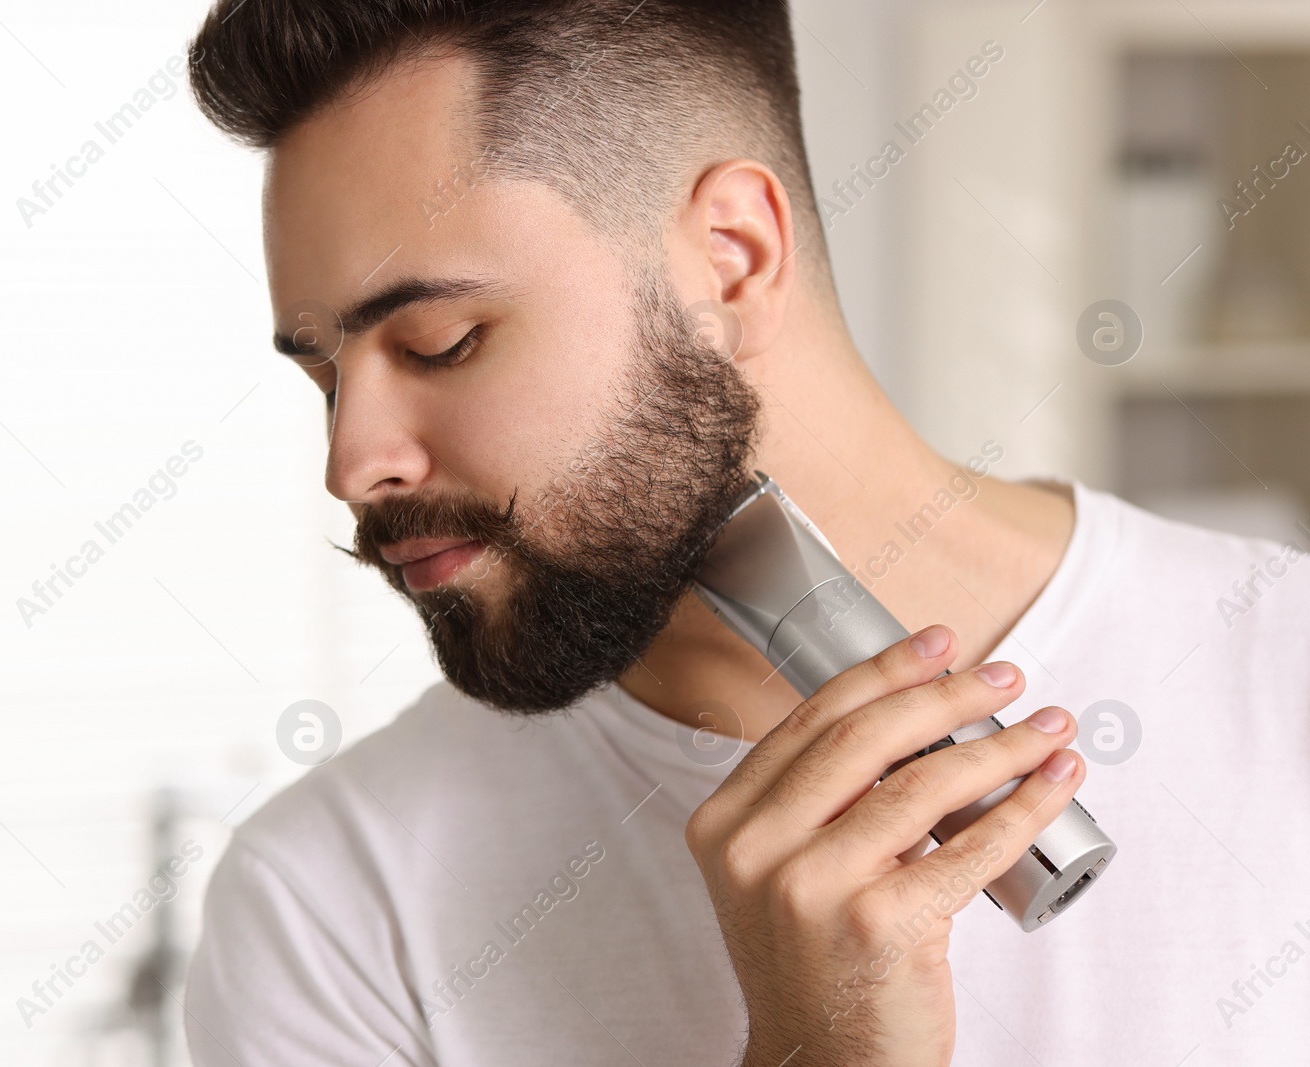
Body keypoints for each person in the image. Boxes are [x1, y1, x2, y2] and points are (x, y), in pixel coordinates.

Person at [178, 2, 1310, 1063]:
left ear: (732, 255)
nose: (351, 461)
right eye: (324, 372)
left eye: (437, 341)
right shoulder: (327, 906)